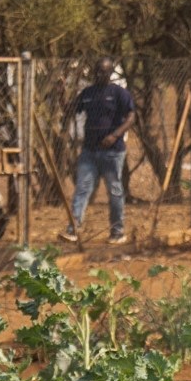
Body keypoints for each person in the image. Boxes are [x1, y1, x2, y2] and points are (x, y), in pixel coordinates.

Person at [59, 59, 135, 247]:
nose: (99, 75)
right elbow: (71, 110)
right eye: (97, 72)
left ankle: (117, 232)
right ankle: (74, 229)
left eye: (103, 72)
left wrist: (115, 135)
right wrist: (61, 93)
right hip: (90, 151)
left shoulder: (118, 93)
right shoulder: (88, 93)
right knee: (82, 188)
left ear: (110, 73)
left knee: (114, 191)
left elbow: (131, 117)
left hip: (112, 152)